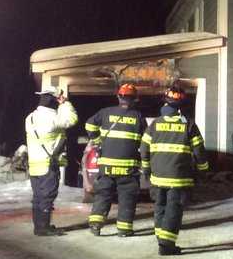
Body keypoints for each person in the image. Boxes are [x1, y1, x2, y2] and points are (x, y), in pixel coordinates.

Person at [140, 85, 209, 256]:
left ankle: (160, 237)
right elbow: (199, 151)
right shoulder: (189, 125)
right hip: (179, 178)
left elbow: (143, 148)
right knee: (174, 209)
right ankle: (166, 245)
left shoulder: (155, 124)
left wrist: (147, 168)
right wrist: (203, 169)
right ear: (181, 104)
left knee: (160, 206)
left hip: (157, 177)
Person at [84, 83, 146, 237]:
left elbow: (89, 124)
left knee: (103, 195)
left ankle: (96, 225)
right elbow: (145, 140)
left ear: (119, 96)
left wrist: (97, 141)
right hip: (128, 167)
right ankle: (124, 229)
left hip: (107, 165)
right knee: (127, 197)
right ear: (134, 99)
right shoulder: (138, 116)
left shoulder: (105, 112)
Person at [25, 85, 77, 236]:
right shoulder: (53, 117)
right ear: (53, 100)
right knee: (47, 196)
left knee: (37, 197)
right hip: (48, 164)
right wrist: (65, 104)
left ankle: (39, 226)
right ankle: (43, 228)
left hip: (34, 165)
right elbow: (71, 119)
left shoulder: (30, 117)